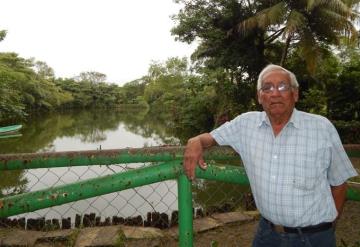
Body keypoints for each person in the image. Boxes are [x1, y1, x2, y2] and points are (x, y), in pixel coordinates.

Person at [183, 64, 358, 247]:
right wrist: (195, 141)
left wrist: (328, 228)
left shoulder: (321, 128)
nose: (275, 93)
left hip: (313, 237)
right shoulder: (245, 124)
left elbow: (339, 183)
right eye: (267, 88)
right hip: (267, 234)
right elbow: (210, 138)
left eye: (282, 86)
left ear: (295, 94)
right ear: (260, 97)